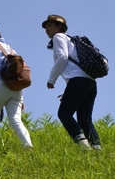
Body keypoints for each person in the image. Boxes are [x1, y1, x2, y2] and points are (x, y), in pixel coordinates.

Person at [43, 14, 101, 150]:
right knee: (84, 119)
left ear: (59, 27)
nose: (47, 29)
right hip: (90, 83)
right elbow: (76, 69)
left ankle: (83, 146)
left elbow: (63, 57)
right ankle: (97, 150)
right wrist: (68, 91)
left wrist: (52, 79)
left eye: (49, 25)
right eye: (46, 27)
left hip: (78, 81)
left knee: (64, 113)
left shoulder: (59, 37)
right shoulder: (73, 40)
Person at [0, 22, 33, 148]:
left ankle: (0, 149)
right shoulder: (10, 48)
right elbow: (17, 72)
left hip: (1, 85)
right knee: (16, 120)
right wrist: (21, 98)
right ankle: (28, 147)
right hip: (16, 89)